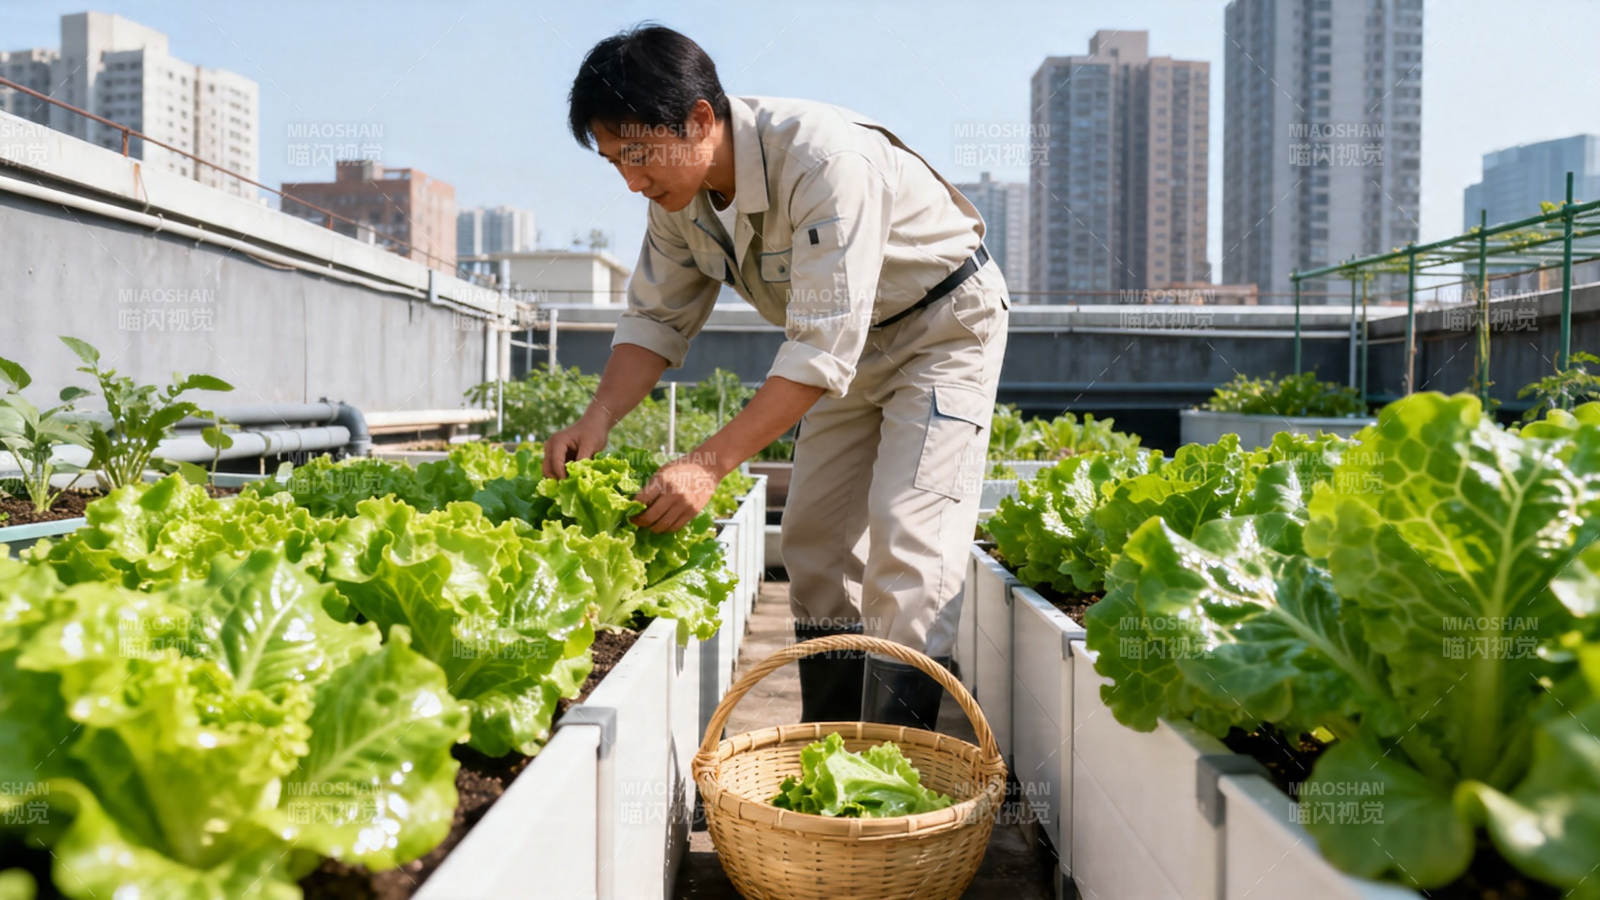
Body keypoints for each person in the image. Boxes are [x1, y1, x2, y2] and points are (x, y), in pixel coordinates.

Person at [550, 25, 1008, 729]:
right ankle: (832, 746)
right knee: (814, 544)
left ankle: (891, 781)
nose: (632, 179)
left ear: (700, 119)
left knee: (909, 543)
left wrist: (707, 464)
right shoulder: (679, 199)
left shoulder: (824, 161)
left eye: (638, 155)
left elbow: (822, 349)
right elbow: (655, 321)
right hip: (847, 355)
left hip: (941, 329)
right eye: (615, 162)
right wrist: (598, 417)